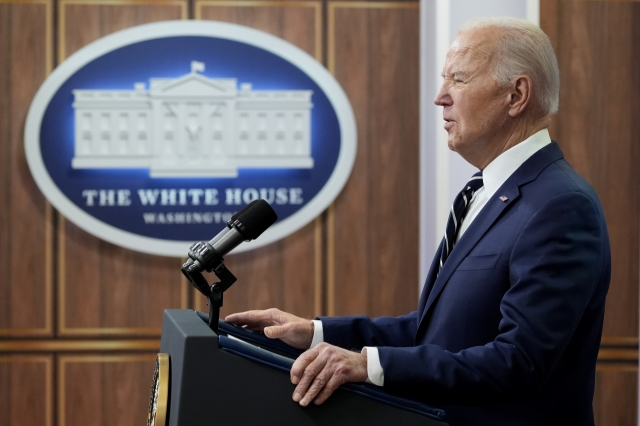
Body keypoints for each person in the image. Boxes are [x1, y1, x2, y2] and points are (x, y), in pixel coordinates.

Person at [226, 17, 610, 426]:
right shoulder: (479, 192)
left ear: (516, 95)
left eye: (458, 80)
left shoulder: (560, 205)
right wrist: (315, 333)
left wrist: (368, 365)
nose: (440, 97)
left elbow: (519, 361)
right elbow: (439, 334)